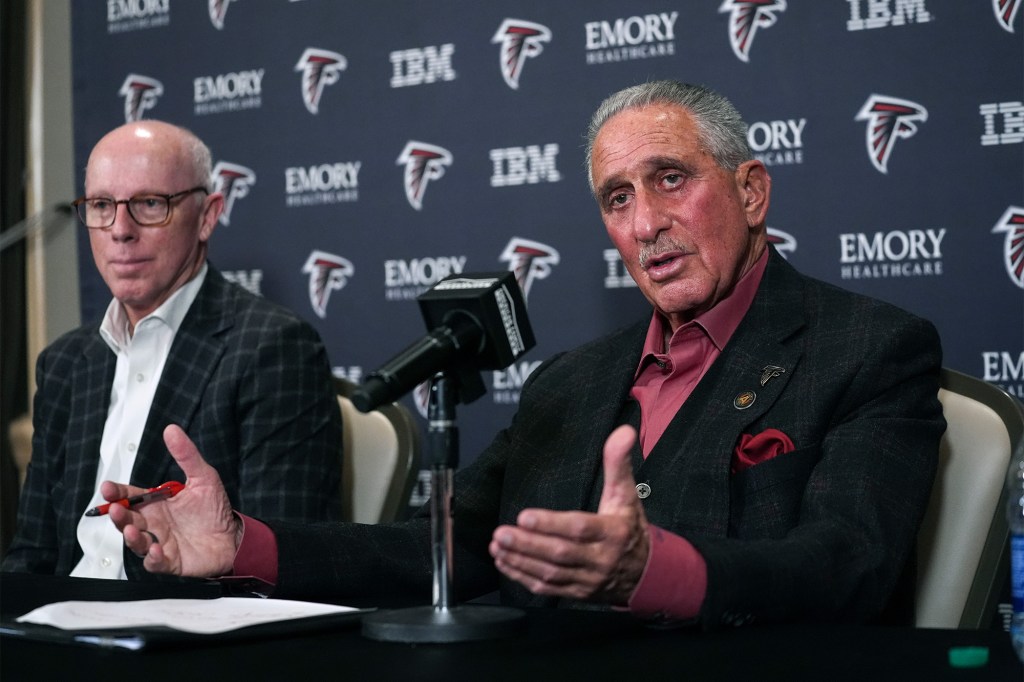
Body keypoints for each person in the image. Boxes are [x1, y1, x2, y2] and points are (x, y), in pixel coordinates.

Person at [103, 81, 944, 627]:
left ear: (751, 190)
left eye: (671, 179)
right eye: (618, 199)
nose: (645, 223)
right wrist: (246, 545)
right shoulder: (570, 384)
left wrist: (656, 570)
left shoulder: (869, 348)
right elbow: (448, 550)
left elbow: (848, 569)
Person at [2, 120, 343, 580]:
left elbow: (285, 559)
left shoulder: (274, 349)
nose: (120, 230)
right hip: (63, 632)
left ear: (206, 216)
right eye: (102, 205)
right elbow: (32, 554)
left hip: (184, 635)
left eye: (149, 204)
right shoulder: (65, 362)